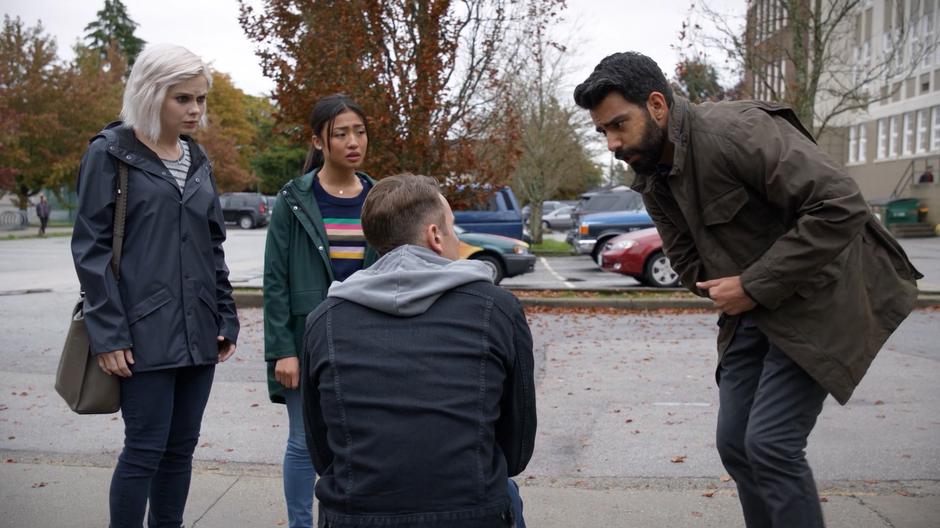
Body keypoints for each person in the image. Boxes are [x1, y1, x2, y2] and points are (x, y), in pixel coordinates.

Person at [574, 52, 920, 528]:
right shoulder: (653, 179)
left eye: (618, 125)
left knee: (772, 444)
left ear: (656, 105)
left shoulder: (736, 133)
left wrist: (752, 284)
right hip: (754, 310)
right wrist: (736, 289)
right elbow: (689, 263)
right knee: (736, 442)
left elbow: (841, 204)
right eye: (602, 132)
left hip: (822, 294)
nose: (611, 143)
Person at [302, 173, 536, 528]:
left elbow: (322, 452)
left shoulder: (324, 321)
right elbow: (516, 448)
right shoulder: (498, 309)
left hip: (356, 516)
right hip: (472, 513)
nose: (457, 238)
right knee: (508, 489)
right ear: (435, 236)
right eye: (453, 227)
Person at [70, 43, 239, 527]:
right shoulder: (111, 153)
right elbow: (91, 249)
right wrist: (109, 334)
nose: (195, 110)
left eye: (200, 99)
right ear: (151, 93)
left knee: (180, 451)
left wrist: (224, 317)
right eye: (182, 98)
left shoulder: (197, 157)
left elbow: (213, 246)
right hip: (141, 333)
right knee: (144, 451)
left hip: (199, 332)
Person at [263, 94, 378, 528]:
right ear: (319, 140)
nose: (354, 142)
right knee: (302, 442)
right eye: (341, 133)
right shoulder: (294, 200)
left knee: (361, 440)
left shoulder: (377, 195)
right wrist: (283, 351)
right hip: (307, 338)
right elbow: (275, 280)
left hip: (365, 338)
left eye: (360, 131)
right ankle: (300, 524)